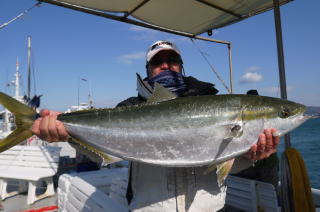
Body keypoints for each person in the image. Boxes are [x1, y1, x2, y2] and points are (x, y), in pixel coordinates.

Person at [32, 40, 280, 212]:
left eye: (172, 59)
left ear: (181, 67)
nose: (166, 65)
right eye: (157, 61)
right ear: (148, 71)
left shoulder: (212, 102)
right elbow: (103, 153)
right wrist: (66, 134)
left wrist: (251, 156)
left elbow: (225, 165)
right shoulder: (129, 107)